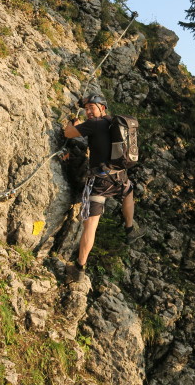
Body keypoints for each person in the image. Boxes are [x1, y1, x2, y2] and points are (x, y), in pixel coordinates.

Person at [63, 95, 145, 283]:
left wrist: (74, 124)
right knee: (128, 191)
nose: (89, 111)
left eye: (92, 107)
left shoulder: (94, 124)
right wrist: (81, 124)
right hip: (120, 177)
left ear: (103, 108)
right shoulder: (111, 124)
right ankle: (130, 228)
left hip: (100, 182)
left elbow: (69, 133)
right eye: (87, 109)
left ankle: (79, 267)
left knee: (91, 225)